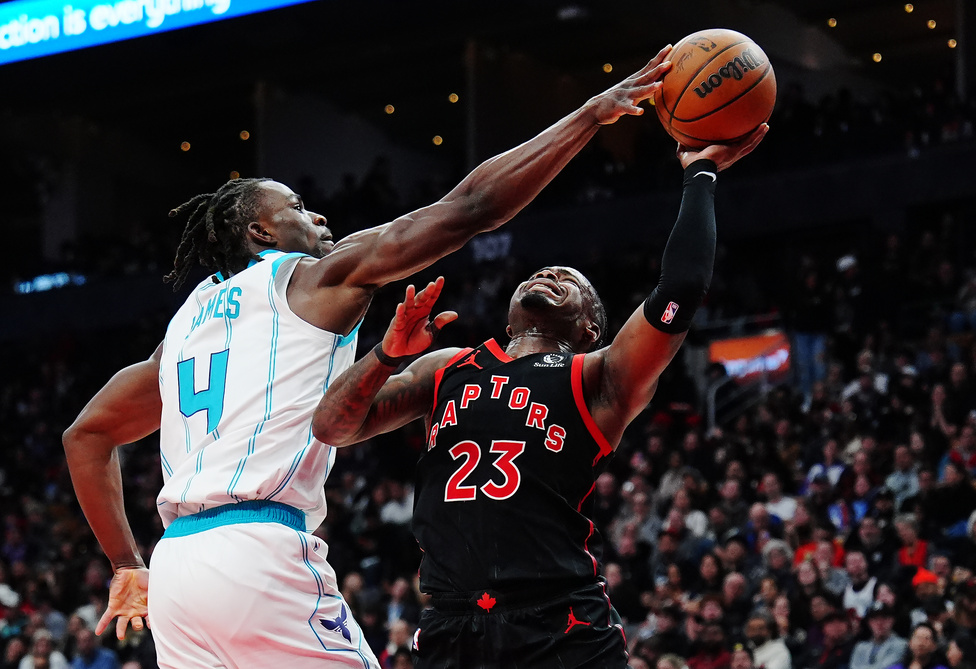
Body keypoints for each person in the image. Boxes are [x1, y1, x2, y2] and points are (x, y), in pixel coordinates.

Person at [60, 44, 677, 669]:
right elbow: (470, 210)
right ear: (261, 235)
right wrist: (589, 116)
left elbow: (86, 435)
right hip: (258, 549)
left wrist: (125, 564)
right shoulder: (312, 278)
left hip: (176, 570)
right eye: (296, 207)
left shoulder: (182, 328)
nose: (317, 213)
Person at [312, 125, 768, 667]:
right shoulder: (447, 365)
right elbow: (331, 427)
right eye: (544, 270)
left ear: (591, 329)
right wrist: (387, 352)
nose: (551, 273)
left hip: (560, 623)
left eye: (572, 281)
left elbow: (681, 289)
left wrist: (700, 174)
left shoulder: (599, 377)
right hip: (451, 626)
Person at [850, 603, 908, 669]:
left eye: (884, 618)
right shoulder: (860, 647)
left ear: (892, 620)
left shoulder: (901, 645)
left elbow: (886, 667)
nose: (879, 623)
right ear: (869, 623)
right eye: (875, 618)